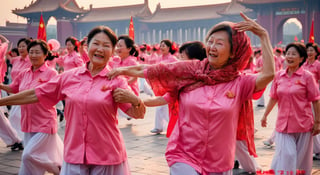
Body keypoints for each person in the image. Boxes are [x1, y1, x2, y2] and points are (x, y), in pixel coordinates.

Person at [108, 12, 275, 174]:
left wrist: (264, 36)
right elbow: (151, 70)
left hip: (220, 160)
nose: (212, 46)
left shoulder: (240, 83)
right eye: (210, 41)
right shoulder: (190, 70)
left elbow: (268, 74)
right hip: (183, 153)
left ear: (233, 52)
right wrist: (120, 71)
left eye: (219, 43)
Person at [0, 26, 145, 175]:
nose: (100, 49)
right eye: (96, 43)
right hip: (74, 153)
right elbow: (35, 94)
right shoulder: (68, 77)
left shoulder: (116, 81)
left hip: (107, 154)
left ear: (113, 51)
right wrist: (2, 102)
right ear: (87, 46)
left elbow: (138, 114)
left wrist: (135, 100)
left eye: (106, 45)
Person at [0, 39, 63, 174]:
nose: (33, 55)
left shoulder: (51, 74)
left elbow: (45, 95)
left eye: (37, 52)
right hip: (28, 123)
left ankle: (57, 169)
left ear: (46, 54)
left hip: (44, 122)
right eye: (31, 52)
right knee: (29, 162)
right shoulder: (25, 73)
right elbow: (13, 88)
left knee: (28, 155)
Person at [261, 42, 320, 175]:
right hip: (283, 124)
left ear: (301, 58)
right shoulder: (279, 76)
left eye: (294, 54)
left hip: (303, 124)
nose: (290, 56)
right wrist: (265, 115)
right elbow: (274, 97)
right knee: (288, 155)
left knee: (301, 161)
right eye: (288, 53)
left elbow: (315, 100)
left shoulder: (307, 77)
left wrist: (317, 122)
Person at [8, 38, 32, 140]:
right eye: (19, 46)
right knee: (15, 117)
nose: (21, 48)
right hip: (15, 90)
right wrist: (5, 42)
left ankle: (23, 139)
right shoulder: (15, 60)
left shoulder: (32, 59)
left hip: (26, 92)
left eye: (24, 46)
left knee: (15, 116)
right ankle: (21, 138)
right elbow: (5, 53)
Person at [302, 42, 320, 160]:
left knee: (315, 122)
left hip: (316, 96)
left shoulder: (318, 65)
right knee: (310, 122)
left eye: (311, 51)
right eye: (307, 51)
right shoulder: (303, 65)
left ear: (316, 53)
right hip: (305, 97)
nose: (309, 53)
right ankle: (316, 149)